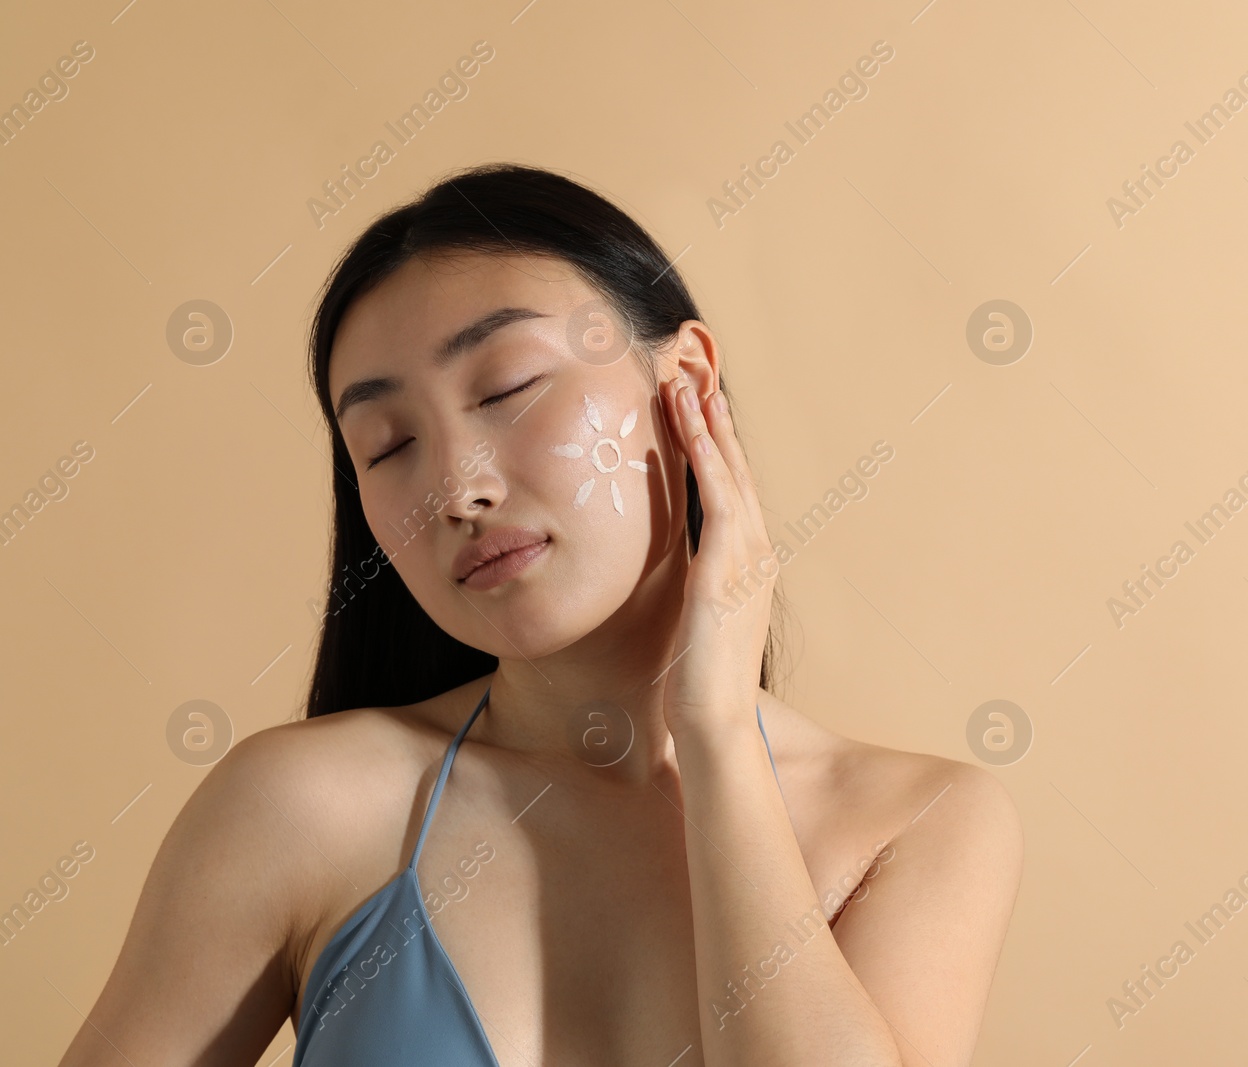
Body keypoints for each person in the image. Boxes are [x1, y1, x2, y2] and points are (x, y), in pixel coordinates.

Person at [58, 163, 1023, 1067]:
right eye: (388, 445)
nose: (456, 488)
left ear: (683, 381)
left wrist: (716, 731)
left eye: (510, 387)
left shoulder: (919, 827)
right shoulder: (303, 807)